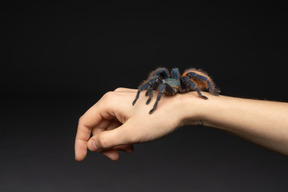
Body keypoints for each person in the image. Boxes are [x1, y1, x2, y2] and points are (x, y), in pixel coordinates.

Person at [75, 88, 288, 161]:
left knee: (190, 77)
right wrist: (183, 107)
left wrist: (186, 103)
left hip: (187, 90)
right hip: (182, 94)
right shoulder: (164, 83)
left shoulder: (183, 84)